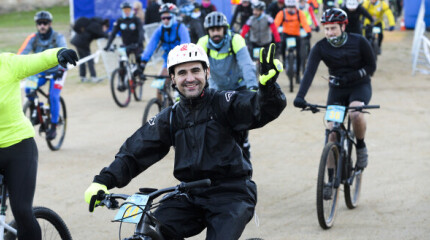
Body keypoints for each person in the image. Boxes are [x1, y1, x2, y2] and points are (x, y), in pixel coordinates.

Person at [84, 42, 286, 240]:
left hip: (232, 195)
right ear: (172, 78)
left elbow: (260, 108)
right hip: (189, 194)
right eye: (182, 73)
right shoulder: (170, 117)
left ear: (207, 73)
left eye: (195, 70)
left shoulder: (224, 102)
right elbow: (135, 152)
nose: (190, 78)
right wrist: (103, 180)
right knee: (151, 230)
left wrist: (267, 89)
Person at [0, 47, 77, 240]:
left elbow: (37, 59)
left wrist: (58, 54)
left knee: (22, 211)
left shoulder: (7, 64)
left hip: (18, 148)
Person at [293, 9, 376, 180]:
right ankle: (330, 180)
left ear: (343, 27)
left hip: (359, 86)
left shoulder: (359, 41)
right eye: (327, 28)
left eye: (333, 28)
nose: (330, 33)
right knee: (332, 132)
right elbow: (309, 72)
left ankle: (360, 146)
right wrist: (300, 96)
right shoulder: (320, 47)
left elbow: (371, 67)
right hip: (337, 90)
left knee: (355, 113)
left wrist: (352, 76)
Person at [197, 11, 258, 160]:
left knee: (242, 123)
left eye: (219, 29)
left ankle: (245, 146)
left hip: (238, 86)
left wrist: (253, 88)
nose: (216, 32)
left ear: (225, 29)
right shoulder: (203, 43)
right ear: (208, 31)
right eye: (212, 30)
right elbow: (196, 69)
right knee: (216, 126)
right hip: (216, 89)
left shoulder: (235, 39)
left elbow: (246, 64)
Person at [17, 11, 68, 140]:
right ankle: (38, 110)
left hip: (58, 71)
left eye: (45, 23)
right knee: (28, 89)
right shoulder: (33, 38)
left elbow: (65, 53)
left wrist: (61, 69)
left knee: (53, 96)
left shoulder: (58, 37)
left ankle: (54, 126)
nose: (42, 26)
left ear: (50, 24)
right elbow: (21, 54)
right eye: (39, 23)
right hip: (40, 71)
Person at [141, 3, 190, 100]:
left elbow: (186, 46)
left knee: (182, 87)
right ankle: (161, 108)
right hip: (168, 62)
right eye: (163, 18)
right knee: (159, 84)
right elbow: (150, 46)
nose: (165, 20)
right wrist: (143, 63)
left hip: (182, 61)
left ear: (174, 16)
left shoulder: (181, 28)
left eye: (168, 17)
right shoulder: (160, 30)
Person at [274, 0, 312, 82]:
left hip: (296, 35)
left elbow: (305, 23)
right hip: (286, 34)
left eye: (292, 7)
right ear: (286, 7)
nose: (290, 9)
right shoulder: (282, 13)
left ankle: (298, 74)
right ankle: (284, 60)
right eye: (289, 7)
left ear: (295, 7)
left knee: (299, 55)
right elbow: (276, 23)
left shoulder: (300, 13)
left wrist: (308, 31)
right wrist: (273, 33)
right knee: (281, 47)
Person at [104, 1, 144, 69]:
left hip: (136, 45)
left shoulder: (136, 19)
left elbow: (141, 31)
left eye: (128, 10)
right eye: (125, 10)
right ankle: (123, 77)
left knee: (139, 62)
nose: (127, 12)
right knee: (121, 62)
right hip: (125, 45)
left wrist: (140, 43)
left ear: (131, 10)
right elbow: (113, 33)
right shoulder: (120, 20)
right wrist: (108, 45)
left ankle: (139, 75)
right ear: (122, 11)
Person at [71, 17, 109, 83]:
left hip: (78, 41)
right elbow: (101, 34)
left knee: (82, 59)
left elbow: (97, 35)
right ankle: (93, 77)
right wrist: (109, 36)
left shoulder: (93, 24)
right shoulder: (96, 25)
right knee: (89, 60)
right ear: (104, 26)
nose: (105, 30)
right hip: (81, 43)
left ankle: (83, 77)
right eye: (106, 29)